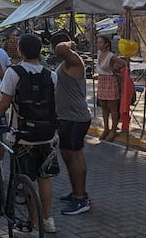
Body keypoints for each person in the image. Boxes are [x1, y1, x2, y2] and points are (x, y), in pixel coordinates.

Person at [0, 34, 59, 235]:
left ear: (20, 50)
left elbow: (4, 104)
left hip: (23, 136)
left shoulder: (14, 73)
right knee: (44, 178)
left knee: (25, 178)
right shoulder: (51, 75)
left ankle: (33, 223)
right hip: (46, 134)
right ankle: (47, 219)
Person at [51, 32, 92, 215]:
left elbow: (60, 48)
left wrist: (68, 43)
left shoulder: (72, 60)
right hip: (70, 118)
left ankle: (80, 199)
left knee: (73, 156)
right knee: (72, 156)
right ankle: (78, 191)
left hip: (74, 118)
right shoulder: (67, 62)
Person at [95, 34, 127, 141]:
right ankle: (106, 128)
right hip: (101, 81)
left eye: (100, 42)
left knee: (112, 107)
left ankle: (113, 130)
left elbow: (123, 63)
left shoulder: (110, 56)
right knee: (103, 106)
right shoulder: (99, 54)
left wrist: (115, 69)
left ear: (106, 44)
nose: (98, 44)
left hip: (109, 80)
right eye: (98, 42)